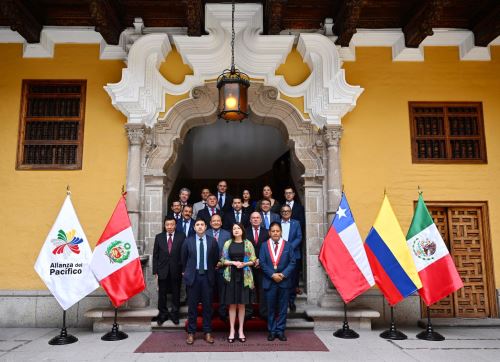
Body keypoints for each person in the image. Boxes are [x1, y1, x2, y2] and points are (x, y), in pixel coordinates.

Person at [181, 219, 219, 345]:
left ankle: (207, 332)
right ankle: (191, 333)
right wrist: (186, 273)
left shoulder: (212, 241)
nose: (200, 227)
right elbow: (184, 259)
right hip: (193, 277)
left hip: (207, 277)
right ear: (194, 227)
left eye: (202, 224)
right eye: (197, 225)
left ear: (206, 227)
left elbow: (215, 259)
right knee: (192, 307)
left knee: (208, 307)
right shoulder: (188, 241)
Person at [259, 222, 296, 342]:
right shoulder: (264, 245)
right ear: (269, 232)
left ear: (281, 232)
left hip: (284, 281)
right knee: (271, 308)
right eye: (273, 231)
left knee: (282, 308)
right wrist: (272, 274)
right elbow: (262, 263)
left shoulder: (288, 245)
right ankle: (272, 331)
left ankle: (280, 331)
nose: (275, 233)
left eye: (277, 231)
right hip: (270, 281)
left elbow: (292, 262)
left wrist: (283, 274)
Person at [220, 223, 256, 343]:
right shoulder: (228, 243)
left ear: (242, 230)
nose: (236, 230)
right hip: (230, 276)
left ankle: (241, 330)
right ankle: (232, 330)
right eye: (234, 228)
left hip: (244, 277)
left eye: (238, 228)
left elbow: (253, 260)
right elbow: (222, 260)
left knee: (242, 305)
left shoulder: (248, 243)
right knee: (232, 305)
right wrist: (233, 263)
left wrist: (244, 264)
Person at [153, 217, 185, 325]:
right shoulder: (159, 237)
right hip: (162, 270)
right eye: (167, 225)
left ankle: (175, 314)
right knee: (162, 294)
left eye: (172, 224)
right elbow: (155, 256)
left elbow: (184, 254)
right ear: (164, 225)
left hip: (177, 270)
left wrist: (183, 269)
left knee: (176, 293)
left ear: (175, 225)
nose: (170, 227)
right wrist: (155, 271)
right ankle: (163, 314)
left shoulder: (181, 236)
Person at [206, 214, 231, 322]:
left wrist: (222, 262)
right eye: (214, 221)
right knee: (209, 292)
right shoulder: (205, 233)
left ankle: (222, 313)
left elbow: (229, 250)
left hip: (223, 268)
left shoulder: (227, 234)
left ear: (221, 222)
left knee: (223, 292)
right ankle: (210, 313)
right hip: (209, 269)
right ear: (210, 223)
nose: (216, 222)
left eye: (218, 221)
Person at [245, 212, 269, 318]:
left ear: (261, 220)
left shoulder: (267, 232)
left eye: (257, 218)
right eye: (253, 218)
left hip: (262, 265)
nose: (255, 219)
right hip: (248, 265)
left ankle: (263, 312)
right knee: (248, 289)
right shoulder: (244, 232)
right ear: (250, 220)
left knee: (262, 289)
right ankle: (248, 312)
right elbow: (243, 247)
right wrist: (252, 260)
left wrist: (260, 260)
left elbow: (268, 249)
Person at [280, 204, 302, 312]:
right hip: (279, 256)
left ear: (291, 212)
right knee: (282, 279)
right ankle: (283, 301)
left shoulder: (296, 223)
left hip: (293, 255)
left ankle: (291, 301)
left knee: (293, 280)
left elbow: (299, 237)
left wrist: (288, 248)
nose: (285, 212)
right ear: (281, 213)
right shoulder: (277, 223)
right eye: (283, 211)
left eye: (287, 211)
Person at [283, 186, 305, 297]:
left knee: (294, 275)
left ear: (293, 194)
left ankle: (292, 299)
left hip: (294, 250)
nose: (288, 195)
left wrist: (290, 246)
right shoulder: (279, 219)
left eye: (290, 193)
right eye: (286, 193)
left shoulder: (299, 208)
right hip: (280, 253)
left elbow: (300, 234)